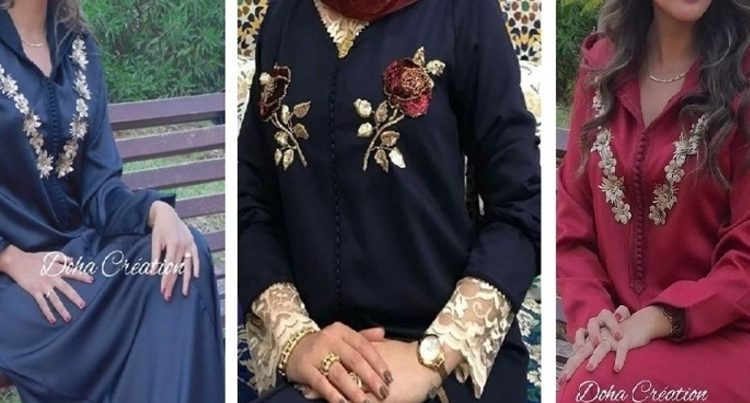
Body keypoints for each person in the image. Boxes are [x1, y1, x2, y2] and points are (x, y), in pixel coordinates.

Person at [238, 0, 540, 402]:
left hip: (444, 346)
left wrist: (431, 356)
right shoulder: (285, 14)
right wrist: (294, 337)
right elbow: (250, 199)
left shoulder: (463, 12)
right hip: (316, 350)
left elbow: (523, 203)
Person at [0, 1, 224, 402]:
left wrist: (157, 211)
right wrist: (12, 259)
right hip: (14, 283)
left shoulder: (78, 46)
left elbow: (99, 187)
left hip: (80, 264)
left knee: (183, 257)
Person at [557, 0, 750, 401]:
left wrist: (661, 318)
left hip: (727, 331)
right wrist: (595, 315)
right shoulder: (602, 69)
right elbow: (571, 215)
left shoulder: (743, 83)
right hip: (620, 334)